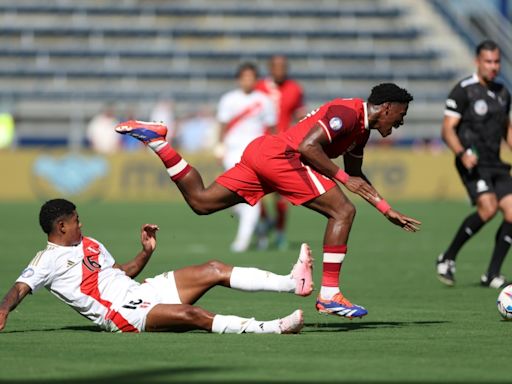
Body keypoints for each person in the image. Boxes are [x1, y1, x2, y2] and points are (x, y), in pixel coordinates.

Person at [115, 82, 421, 319]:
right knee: (342, 211)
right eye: (401, 115)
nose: (401, 122)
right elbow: (307, 147)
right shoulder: (347, 113)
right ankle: (329, 294)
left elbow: (356, 173)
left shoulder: (361, 131)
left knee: (202, 202)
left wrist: (386, 209)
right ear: (387, 107)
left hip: (263, 153)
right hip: (282, 157)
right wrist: (342, 180)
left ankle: (157, 141)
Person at [0, 199, 313, 334]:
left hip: (140, 291)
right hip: (123, 314)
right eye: (76, 219)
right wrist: (3, 311)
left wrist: (145, 252)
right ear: (61, 225)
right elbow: (19, 288)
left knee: (213, 267)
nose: (81, 223)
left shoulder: (89, 243)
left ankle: (292, 283)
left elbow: (122, 272)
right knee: (194, 317)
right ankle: (273, 327)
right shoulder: (47, 259)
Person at [436, 40, 512, 289]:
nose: (493, 66)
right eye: (488, 61)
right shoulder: (463, 90)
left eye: (497, 61)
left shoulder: (502, 92)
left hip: (496, 163)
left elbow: (507, 129)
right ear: (477, 62)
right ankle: (447, 258)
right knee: (488, 208)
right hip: (472, 161)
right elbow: (447, 129)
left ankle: (491, 274)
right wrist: (462, 153)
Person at [216, 62, 276, 252]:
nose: (248, 81)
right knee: (233, 199)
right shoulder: (228, 99)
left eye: (251, 77)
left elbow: (272, 129)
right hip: (232, 150)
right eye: (244, 77)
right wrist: (219, 146)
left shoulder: (265, 100)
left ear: (256, 80)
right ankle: (261, 228)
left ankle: (242, 241)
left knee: (250, 195)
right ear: (239, 79)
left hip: (255, 152)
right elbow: (222, 125)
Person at [255, 55, 306, 250]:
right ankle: (265, 223)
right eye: (276, 66)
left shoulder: (295, 89)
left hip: (285, 147)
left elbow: (300, 115)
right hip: (260, 146)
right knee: (255, 193)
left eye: (283, 66)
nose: (280, 70)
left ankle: (280, 233)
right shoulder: (260, 88)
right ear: (269, 68)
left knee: (282, 194)